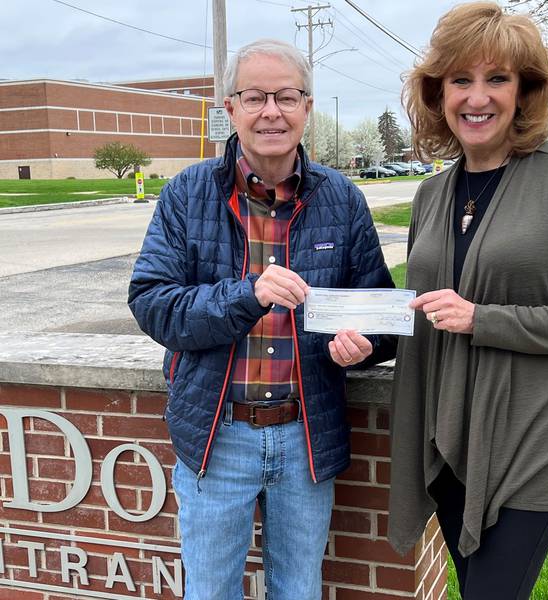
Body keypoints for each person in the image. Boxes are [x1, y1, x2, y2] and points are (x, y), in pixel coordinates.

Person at [128, 39, 395, 600]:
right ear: (230, 108)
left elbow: (380, 310)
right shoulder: (187, 194)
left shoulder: (342, 199)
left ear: (306, 106)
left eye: (286, 96)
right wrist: (247, 295)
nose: (271, 111)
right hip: (216, 436)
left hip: (306, 436)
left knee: (298, 590)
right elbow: (153, 303)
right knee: (210, 592)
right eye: (255, 97)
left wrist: (364, 342)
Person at [387, 3, 548, 599]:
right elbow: (424, 309)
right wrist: (361, 341)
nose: (478, 97)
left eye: (497, 78)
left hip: (534, 436)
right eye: (460, 80)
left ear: (524, 91)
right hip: (450, 437)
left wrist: (482, 319)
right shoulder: (432, 193)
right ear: (437, 93)